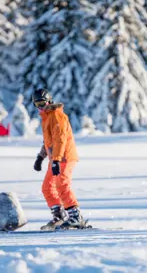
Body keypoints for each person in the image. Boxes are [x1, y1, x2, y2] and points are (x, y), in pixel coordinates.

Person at [31, 89, 86, 230]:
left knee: (62, 185)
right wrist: (40, 157)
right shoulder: (46, 117)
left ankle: (75, 216)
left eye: (42, 103)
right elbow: (48, 142)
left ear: (49, 101)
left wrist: (56, 159)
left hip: (64, 157)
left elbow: (60, 140)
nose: (41, 107)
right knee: (47, 187)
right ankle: (59, 217)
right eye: (37, 104)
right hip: (55, 158)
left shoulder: (56, 115)